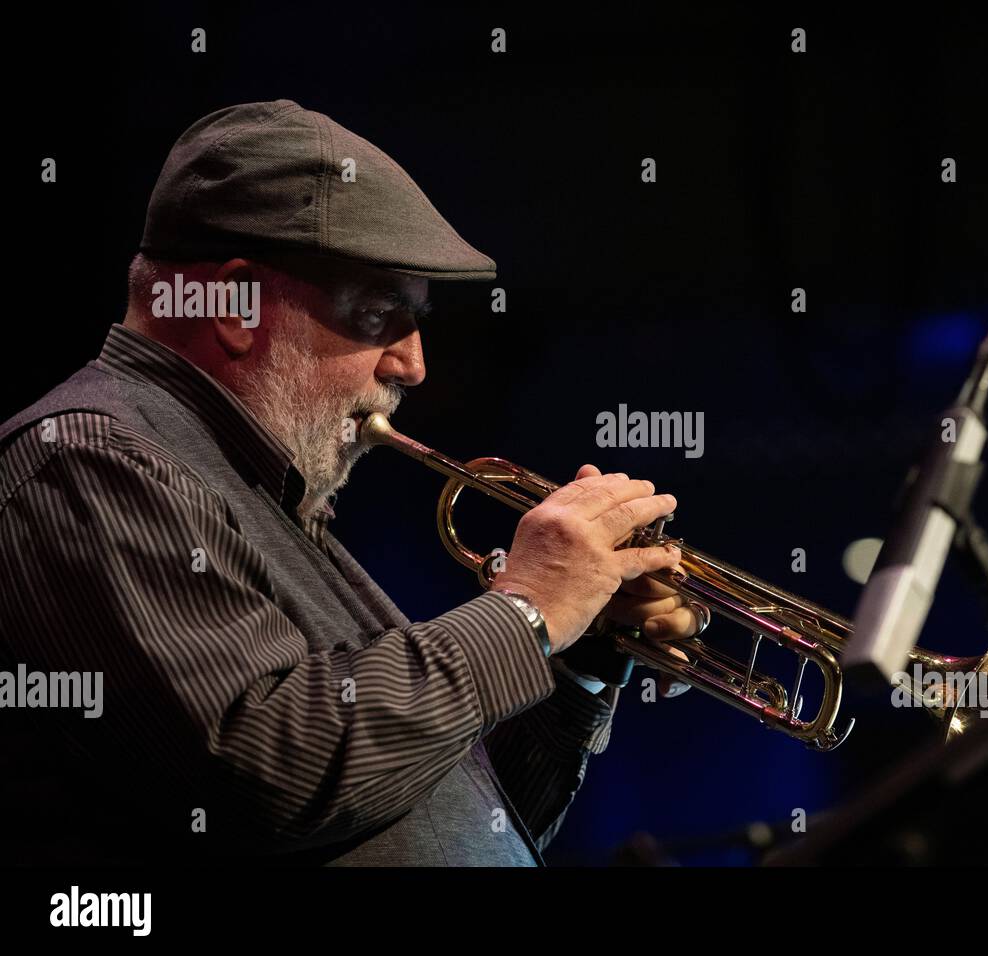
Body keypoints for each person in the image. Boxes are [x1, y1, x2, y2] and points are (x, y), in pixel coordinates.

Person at [0, 100, 701, 865]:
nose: (413, 365)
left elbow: (445, 815)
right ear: (235, 307)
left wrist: (577, 652)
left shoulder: (265, 492)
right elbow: (266, 777)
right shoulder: (91, 461)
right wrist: (527, 611)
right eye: (380, 315)